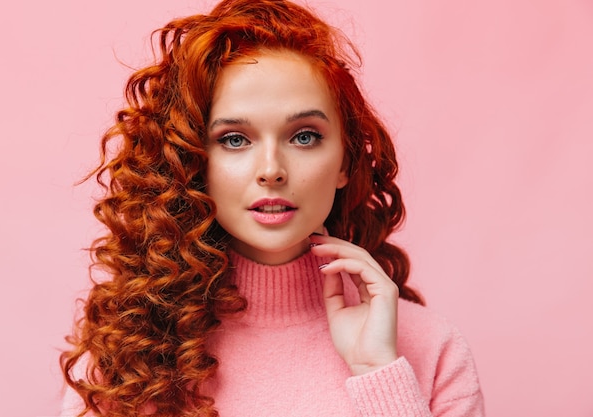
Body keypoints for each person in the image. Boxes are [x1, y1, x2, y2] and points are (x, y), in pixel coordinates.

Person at [60, 0, 485, 416]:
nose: (271, 170)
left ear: (345, 161)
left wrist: (379, 375)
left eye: (303, 137)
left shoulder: (431, 350)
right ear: (193, 163)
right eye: (234, 139)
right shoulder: (126, 357)